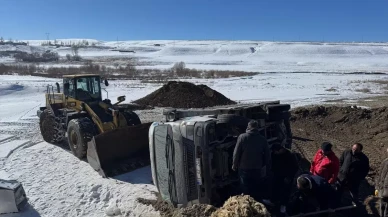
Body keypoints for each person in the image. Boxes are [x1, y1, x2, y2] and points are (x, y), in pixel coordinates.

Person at [232, 120, 271, 203]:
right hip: (257, 169)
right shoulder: (262, 139)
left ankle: (247, 206)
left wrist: (234, 165)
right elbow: (267, 155)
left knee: (245, 189)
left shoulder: (242, 137)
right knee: (256, 188)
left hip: (244, 169)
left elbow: (236, 153)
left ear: (248, 127)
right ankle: (257, 205)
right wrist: (264, 165)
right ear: (257, 128)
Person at [270, 143, 299, 214]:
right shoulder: (274, 154)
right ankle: (273, 201)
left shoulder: (290, 155)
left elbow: (295, 167)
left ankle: (283, 205)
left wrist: (289, 177)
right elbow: (273, 163)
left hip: (287, 177)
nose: (274, 153)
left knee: (286, 191)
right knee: (275, 188)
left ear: (280, 150)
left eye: (275, 151)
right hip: (277, 175)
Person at [377, 148, 388, 217]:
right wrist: (377, 187)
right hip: (382, 188)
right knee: (382, 206)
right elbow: (380, 174)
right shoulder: (385, 161)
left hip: (386, 189)